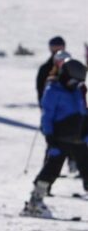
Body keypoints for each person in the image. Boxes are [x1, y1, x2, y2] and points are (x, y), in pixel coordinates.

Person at [23, 59, 88, 217]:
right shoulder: (53, 90)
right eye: (74, 80)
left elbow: (83, 112)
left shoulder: (77, 90)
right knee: (52, 168)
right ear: (66, 75)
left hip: (79, 137)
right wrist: (49, 136)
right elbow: (47, 116)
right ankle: (35, 201)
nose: (76, 83)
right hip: (60, 137)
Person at [36, 36, 67, 105]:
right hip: (52, 107)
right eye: (54, 47)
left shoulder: (71, 66)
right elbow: (40, 90)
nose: (57, 50)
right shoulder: (45, 68)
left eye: (59, 46)